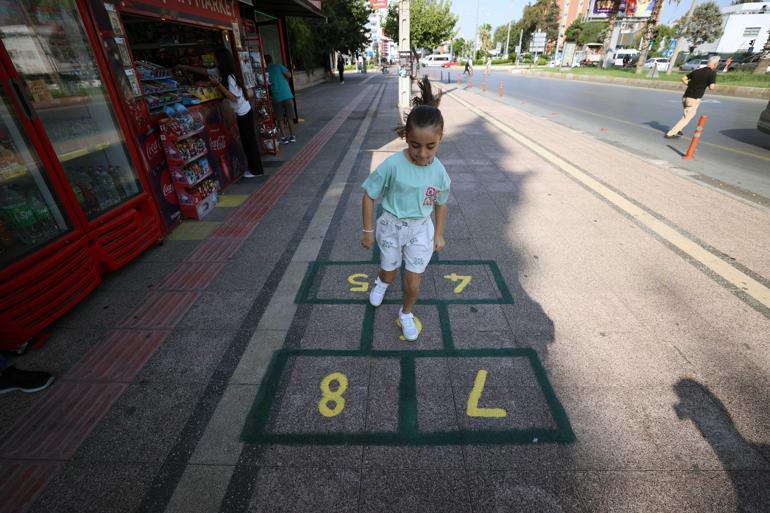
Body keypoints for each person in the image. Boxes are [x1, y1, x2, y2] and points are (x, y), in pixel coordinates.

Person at [360, 77, 451, 342]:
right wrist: (368, 230)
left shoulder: (440, 172)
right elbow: (368, 195)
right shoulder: (392, 165)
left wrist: (439, 234)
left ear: (440, 139)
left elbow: (441, 202)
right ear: (405, 137)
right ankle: (382, 283)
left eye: (430, 146)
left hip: (420, 230)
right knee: (389, 271)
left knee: (414, 282)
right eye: (415, 145)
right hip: (391, 225)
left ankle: (406, 313)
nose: (422, 154)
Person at [177, 49, 264, 178]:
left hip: (243, 113)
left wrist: (218, 85)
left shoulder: (229, 77)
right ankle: (255, 169)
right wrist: (186, 67)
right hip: (244, 111)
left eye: (216, 59)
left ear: (221, 60)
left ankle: (256, 170)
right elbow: (205, 72)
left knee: (249, 142)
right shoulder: (227, 73)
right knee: (248, 142)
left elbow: (233, 97)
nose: (214, 62)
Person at [665, 55, 719, 139]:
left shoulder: (697, 71)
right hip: (694, 98)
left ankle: (678, 130)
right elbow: (711, 87)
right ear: (715, 64)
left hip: (685, 97)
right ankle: (671, 133)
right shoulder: (712, 73)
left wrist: (689, 84)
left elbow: (683, 79)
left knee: (686, 115)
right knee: (687, 118)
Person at [265, 55, 295, 145]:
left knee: (280, 118)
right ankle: (292, 136)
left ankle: (284, 137)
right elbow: (289, 75)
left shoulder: (265, 71)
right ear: (272, 60)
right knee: (290, 117)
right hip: (286, 94)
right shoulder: (279, 66)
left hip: (276, 97)